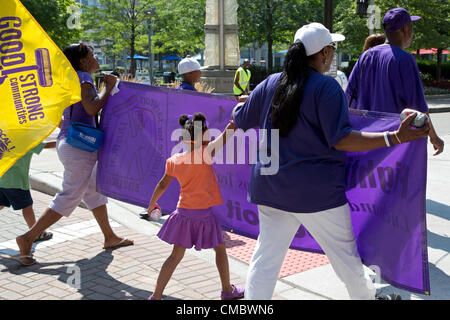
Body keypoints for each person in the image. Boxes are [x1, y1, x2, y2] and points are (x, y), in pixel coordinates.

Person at [232, 22, 429, 300]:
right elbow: (342, 139)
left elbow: (239, 118)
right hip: (316, 195)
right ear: (324, 53)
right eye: (333, 49)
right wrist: (394, 137)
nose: (333, 55)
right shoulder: (326, 87)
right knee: (346, 261)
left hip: (269, 188)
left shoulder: (270, 83)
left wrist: (242, 103)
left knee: (265, 260)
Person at [13, 43, 133, 266]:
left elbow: (58, 114)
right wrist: (109, 86)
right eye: (92, 54)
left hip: (69, 142)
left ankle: (109, 237)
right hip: (79, 147)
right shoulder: (84, 78)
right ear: (83, 60)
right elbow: (91, 108)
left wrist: (68, 127)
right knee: (69, 196)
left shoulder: (68, 79)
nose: (95, 57)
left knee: (93, 192)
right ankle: (28, 238)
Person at [146, 113, 244, 300]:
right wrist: (240, 109)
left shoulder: (174, 161)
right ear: (201, 136)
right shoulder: (205, 154)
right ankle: (227, 290)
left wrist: (151, 205)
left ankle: (156, 296)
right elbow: (229, 131)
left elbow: (162, 184)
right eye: (207, 131)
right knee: (220, 250)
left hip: (183, 215)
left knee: (175, 256)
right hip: (204, 216)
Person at [345, 8, 444, 156]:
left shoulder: (365, 57)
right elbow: (418, 108)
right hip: (396, 141)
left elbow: (348, 99)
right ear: (405, 29)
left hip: (367, 139)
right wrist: (434, 137)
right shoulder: (405, 59)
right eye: (412, 27)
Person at [0, 142, 55, 246]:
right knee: (27, 207)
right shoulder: (26, 141)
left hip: (2, 178)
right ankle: (36, 233)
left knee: (1, 204)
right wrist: (63, 140)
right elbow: (45, 145)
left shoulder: (6, 137)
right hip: (17, 182)